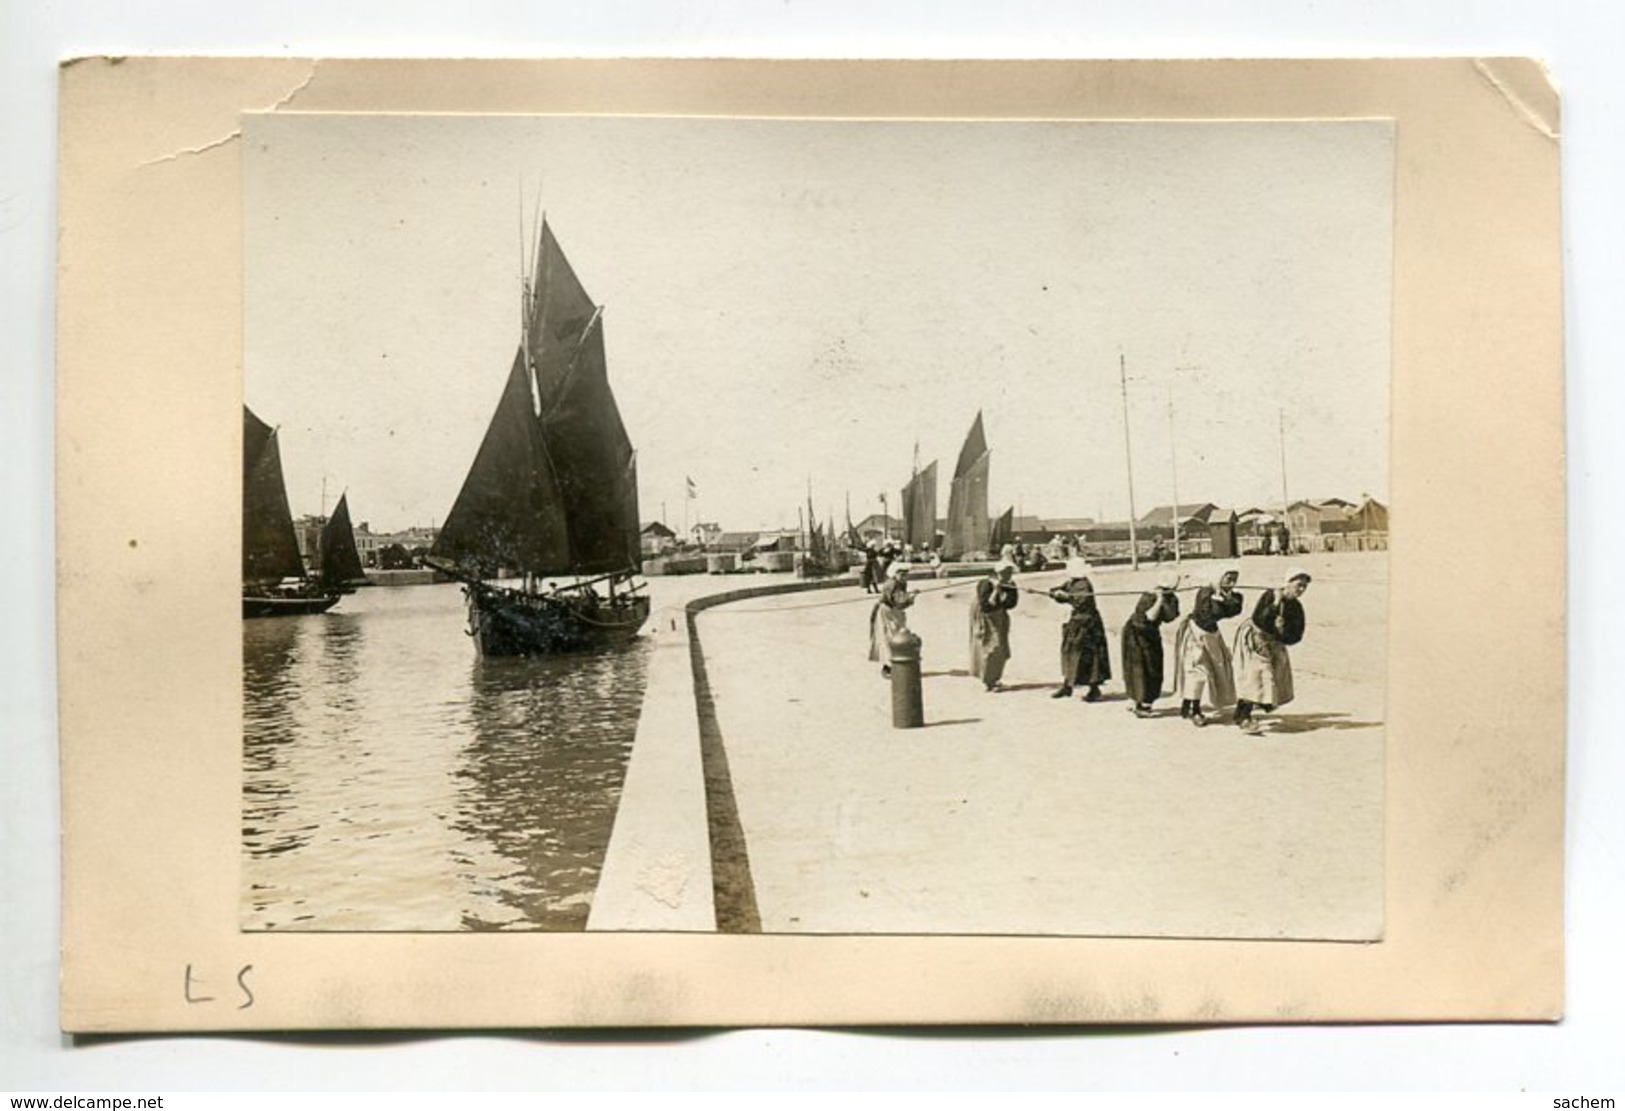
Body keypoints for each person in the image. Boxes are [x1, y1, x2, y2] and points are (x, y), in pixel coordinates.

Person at [1233, 567, 1312, 735]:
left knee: (1274, 678)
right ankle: (1244, 718)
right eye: (1298, 585)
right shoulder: (1270, 595)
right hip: (1254, 638)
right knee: (1257, 675)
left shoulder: (1296, 607)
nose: (1301, 590)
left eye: (1304, 587)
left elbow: (1296, 635)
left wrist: (1283, 631)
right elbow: (1259, 618)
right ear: (1288, 583)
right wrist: (1275, 605)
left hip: (1274, 643)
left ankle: (1243, 712)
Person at [1173, 566, 1244, 726]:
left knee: (1218, 669)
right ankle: (1195, 710)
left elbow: (1235, 610)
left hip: (1212, 635)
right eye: (1228, 578)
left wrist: (1225, 597)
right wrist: (1218, 600)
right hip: (1196, 634)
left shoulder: (1227, 595)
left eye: (1234, 579)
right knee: (1198, 671)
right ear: (1218, 577)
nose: (1232, 582)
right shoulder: (1205, 592)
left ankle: (1188, 702)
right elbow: (1207, 615)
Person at [1048, 558, 1111, 701]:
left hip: (1088, 624)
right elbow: (1058, 590)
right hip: (1076, 621)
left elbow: (1081, 601)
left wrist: (1066, 597)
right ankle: (1067, 686)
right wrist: (1055, 593)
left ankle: (1094, 690)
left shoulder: (1084, 585)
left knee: (1089, 656)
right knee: (1070, 652)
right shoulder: (1072, 582)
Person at [1121, 570, 1181, 717]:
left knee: (1152, 667)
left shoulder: (1171, 598)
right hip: (1135, 633)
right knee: (1137, 667)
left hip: (1150, 634)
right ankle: (1139, 703)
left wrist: (1165, 599)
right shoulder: (1149, 596)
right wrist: (1159, 599)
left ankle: (1145, 701)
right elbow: (1150, 617)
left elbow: (1170, 617)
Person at [969, 559, 1019, 691]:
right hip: (986, 618)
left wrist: (1005, 592)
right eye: (1005, 572)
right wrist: (996, 590)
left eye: (1010, 572)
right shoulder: (985, 584)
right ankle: (988, 680)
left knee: (1002, 648)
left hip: (1000, 617)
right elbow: (986, 606)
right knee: (990, 646)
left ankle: (994, 679)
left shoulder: (1010, 584)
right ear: (998, 572)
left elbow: (1012, 603)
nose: (1008, 574)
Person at [868, 562, 915, 678]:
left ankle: (895, 665)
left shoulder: (902, 583)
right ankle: (888, 667)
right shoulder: (891, 584)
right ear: (895, 574)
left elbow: (900, 598)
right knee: (889, 637)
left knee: (898, 635)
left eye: (906, 574)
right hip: (887, 612)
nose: (904, 577)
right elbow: (899, 603)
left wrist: (909, 595)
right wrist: (910, 599)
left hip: (894, 612)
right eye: (902, 574)